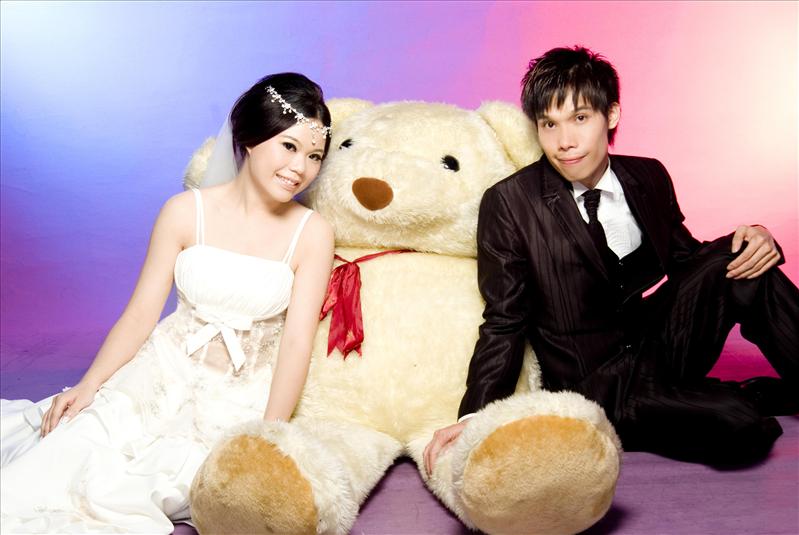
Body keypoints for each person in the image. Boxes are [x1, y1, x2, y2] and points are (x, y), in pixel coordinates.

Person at [424, 46, 799, 473]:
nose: (565, 142)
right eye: (549, 124)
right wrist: (474, 416)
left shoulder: (647, 176)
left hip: (658, 343)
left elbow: (688, 261)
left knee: (742, 258)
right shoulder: (510, 203)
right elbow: (503, 321)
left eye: (580, 118)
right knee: (741, 425)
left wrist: (756, 236)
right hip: (598, 383)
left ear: (612, 115)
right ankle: (737, 397)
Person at [0, 72, 335, 533]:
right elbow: (141, 312)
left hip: (240, 396)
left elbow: (297, 341)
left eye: (314, 156)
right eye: (289, 146)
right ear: (250, 139)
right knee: (65, 456)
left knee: (174, 482)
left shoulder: (312, 233)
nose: (300, 168)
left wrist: (268, 435)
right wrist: (89, 384)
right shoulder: (183, 212)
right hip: (161, 371)